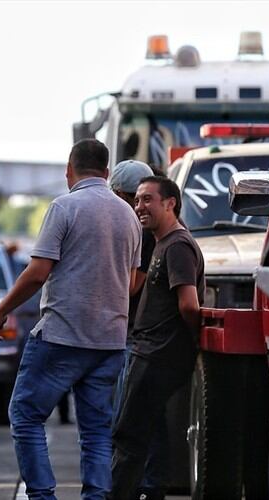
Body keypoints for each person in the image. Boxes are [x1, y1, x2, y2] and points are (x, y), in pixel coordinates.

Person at [0, 139, 142, 500]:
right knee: (96, 432)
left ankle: (42, 496)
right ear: (107, 172)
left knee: (25, 415)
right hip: (109, 341)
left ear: (69, 170)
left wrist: (2, 309)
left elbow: (38, 271)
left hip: (61, 336)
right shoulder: (129, 217)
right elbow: (133, 284)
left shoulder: (64, 207)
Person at [111, 176, 205, 500]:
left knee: (129, 436)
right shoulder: (162, 242)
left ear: (171, 203)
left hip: (158, 355)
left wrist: (189, 341)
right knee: (142, 432)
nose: (139, 207)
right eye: (137, 200)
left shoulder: (178, 245)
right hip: (148, 353)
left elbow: (190, 305)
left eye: (148, 200)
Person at [108, 160, 170, 499]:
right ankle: (148, 484)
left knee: (132, 416)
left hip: (139, 336)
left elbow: (132, 286)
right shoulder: (154, 228)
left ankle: (144, 485)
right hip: (144, 335)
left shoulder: (143, 232)